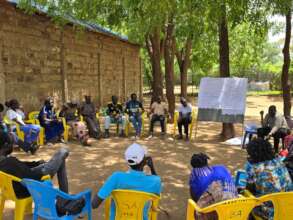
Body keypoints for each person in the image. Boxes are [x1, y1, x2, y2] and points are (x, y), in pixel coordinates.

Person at [91, 143, 161, 220]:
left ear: (128, 161)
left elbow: (94, 204)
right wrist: (152, 168)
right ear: (144, 161)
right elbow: (157, 194)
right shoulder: (155, 181)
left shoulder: (116, 177)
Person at [245, 138, 293, 219]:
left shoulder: (253, 168)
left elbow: (248, 188)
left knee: (246, 199)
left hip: (271, 213)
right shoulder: (279, 161)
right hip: (289, 206)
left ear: (253, 154)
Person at [189, 153, 238, 220]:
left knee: (196, 209)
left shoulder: (194, 178)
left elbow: (195, 198)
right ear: (206, 162)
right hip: (233, 208)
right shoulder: (221, 168)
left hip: (212, 213)